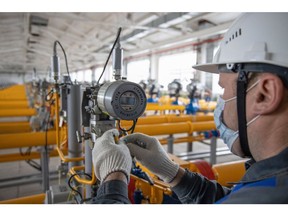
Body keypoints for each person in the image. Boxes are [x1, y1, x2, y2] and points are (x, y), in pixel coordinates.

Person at [92, 13, 288, 204]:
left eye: (224, 89)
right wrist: (173, 173)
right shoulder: (269, 185)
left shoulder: (269, 197)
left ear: (265, 94)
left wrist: (113, 179)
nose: (221, 100)